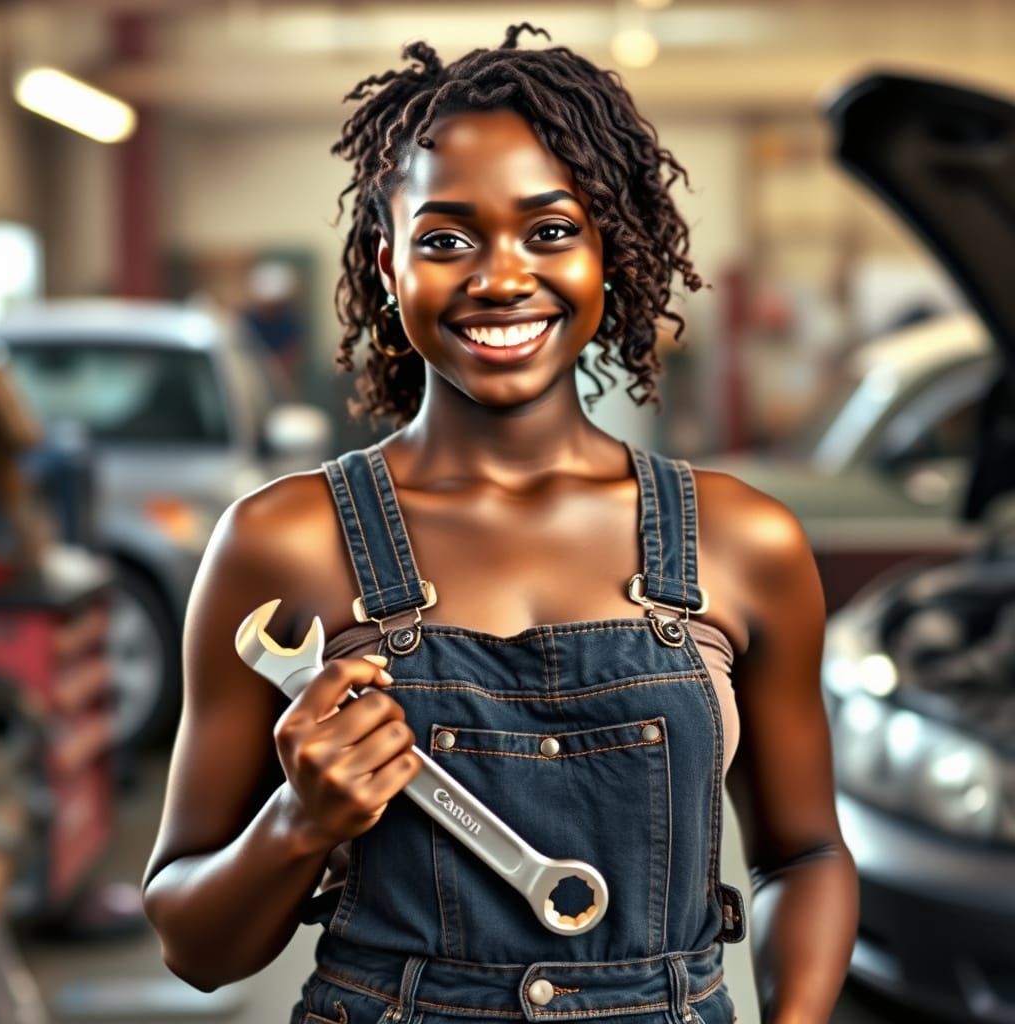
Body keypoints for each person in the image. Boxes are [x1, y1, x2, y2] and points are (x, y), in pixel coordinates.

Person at [142, 23, 858, 1024]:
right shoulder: (285, 541)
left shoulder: (743, 544)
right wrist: (296, 822)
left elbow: (806, 852)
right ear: (386, 265)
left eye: (550, 230)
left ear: (612, 250)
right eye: (444, 240)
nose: (499, 275)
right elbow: (191, 942)